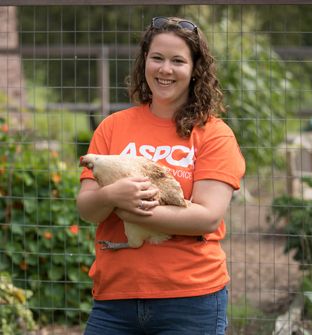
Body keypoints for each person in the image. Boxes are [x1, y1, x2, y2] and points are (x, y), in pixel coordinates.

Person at [77, 16, 245, 335]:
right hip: (116, 299)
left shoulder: (214, 135)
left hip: (191, 300)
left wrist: (129, 209)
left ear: (195, 69)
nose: (165, 69)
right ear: (144, 63)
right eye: (157, 58)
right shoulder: (113, 127)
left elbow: (206, 217)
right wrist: (111, 196)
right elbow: (87, 208)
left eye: (177, 61)